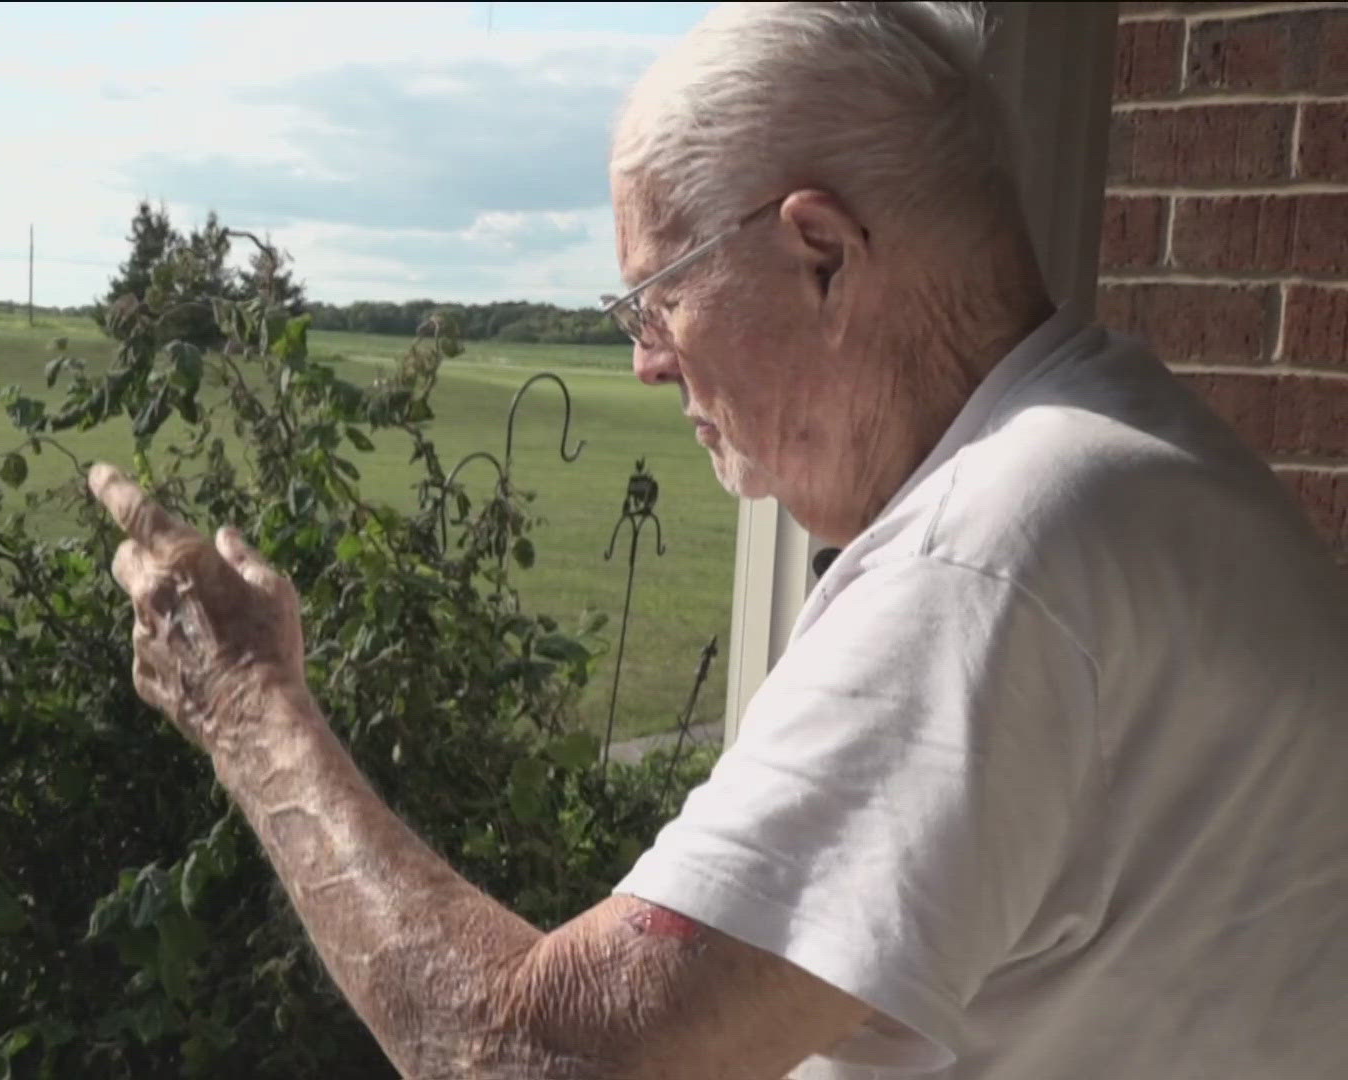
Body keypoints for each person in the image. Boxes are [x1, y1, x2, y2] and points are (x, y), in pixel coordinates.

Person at [89, 2, 1348, 1076]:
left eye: (657, 295)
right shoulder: (1131, 455)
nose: (644, 362)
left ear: (820, 254)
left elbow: (528, 1055)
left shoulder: (989, 563)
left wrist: (249, 705)